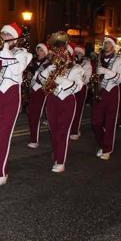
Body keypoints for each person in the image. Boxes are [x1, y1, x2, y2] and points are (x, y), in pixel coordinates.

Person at [0, 23, 31, 185]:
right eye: (2, 34)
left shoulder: (23, 54)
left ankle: (1, 172)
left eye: (7, 35)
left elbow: (16, 69)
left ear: (15, 39)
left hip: (10, 96)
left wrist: (2, 50)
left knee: (3, 135)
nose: (3, 37)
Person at [41, 39, 83, 173]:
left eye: (62, 52)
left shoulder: (77, 68)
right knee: (53, 131)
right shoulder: (52, 66)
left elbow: (77, 86)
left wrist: (59, 79)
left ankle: (60, 161)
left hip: (67, 101)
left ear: (69, 54)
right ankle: (57, 154)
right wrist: (48, 70)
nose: (59, 54)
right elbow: (41, 79)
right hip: (52, 99)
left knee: (63, 132)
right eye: (58, 52)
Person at [91, 36, 121, 160]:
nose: (105, 44)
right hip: (99, 91)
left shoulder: (119, 60)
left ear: (113, 46)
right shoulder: (98, 58)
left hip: (111, 91)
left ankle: (107, 149)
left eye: (108, 43)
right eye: (104, 43)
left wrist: (106, 71)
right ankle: (103, 144)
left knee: (110, 122)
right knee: (95, 122)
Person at [26, 43, 50, 149]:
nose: (38, 52)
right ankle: (33, 137)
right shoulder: (33, 63)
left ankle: (34, 140)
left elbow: (47, 79)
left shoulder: (49, 64)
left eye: (41, 50)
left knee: (36, 115)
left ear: (45, 52)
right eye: (37, 50)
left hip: (41, 91)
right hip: (32, 91)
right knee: (31, 114)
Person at [70, 44, 92, 141]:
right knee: (70, 110)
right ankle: (69, 128)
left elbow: (86, 78)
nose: (77, 54)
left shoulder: (87, 64)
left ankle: (75, 130)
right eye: (76, 53)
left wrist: (78, 68)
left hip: (81, 88)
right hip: (71, 87)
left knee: (78, 110)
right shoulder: (72, 62)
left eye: (79, 53)